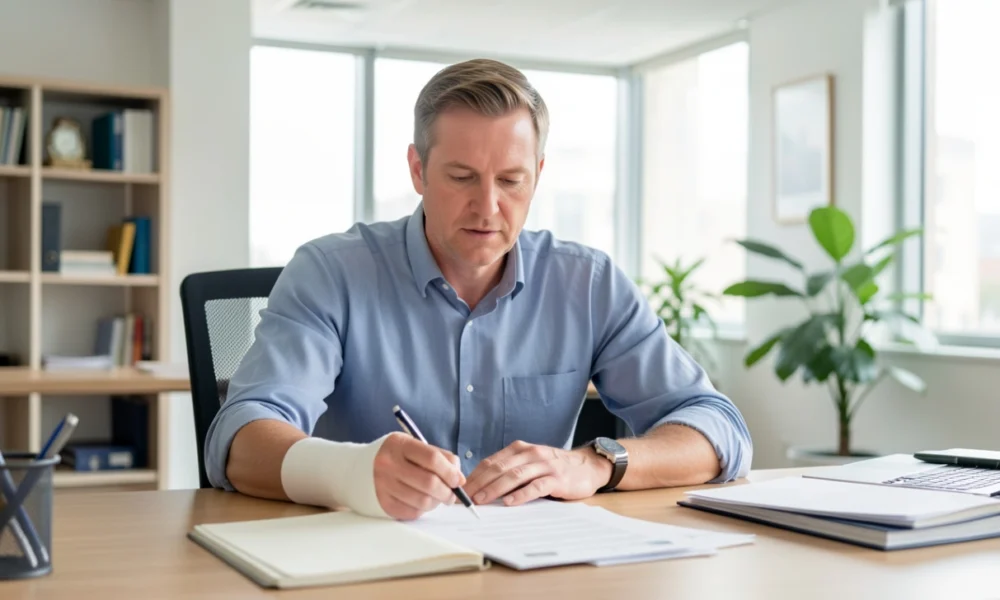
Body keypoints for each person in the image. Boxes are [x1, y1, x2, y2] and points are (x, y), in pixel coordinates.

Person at [205, 58, 752, 521]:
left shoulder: (586, 283)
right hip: (366, 560)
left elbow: (718, 427)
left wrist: (596, 462)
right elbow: (238, 440)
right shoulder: (331, 272)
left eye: (511, 181)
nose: (488, 207)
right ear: (418, 170)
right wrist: (351, 473)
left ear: (537, 174)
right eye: (461, 177)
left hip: (532, 566)